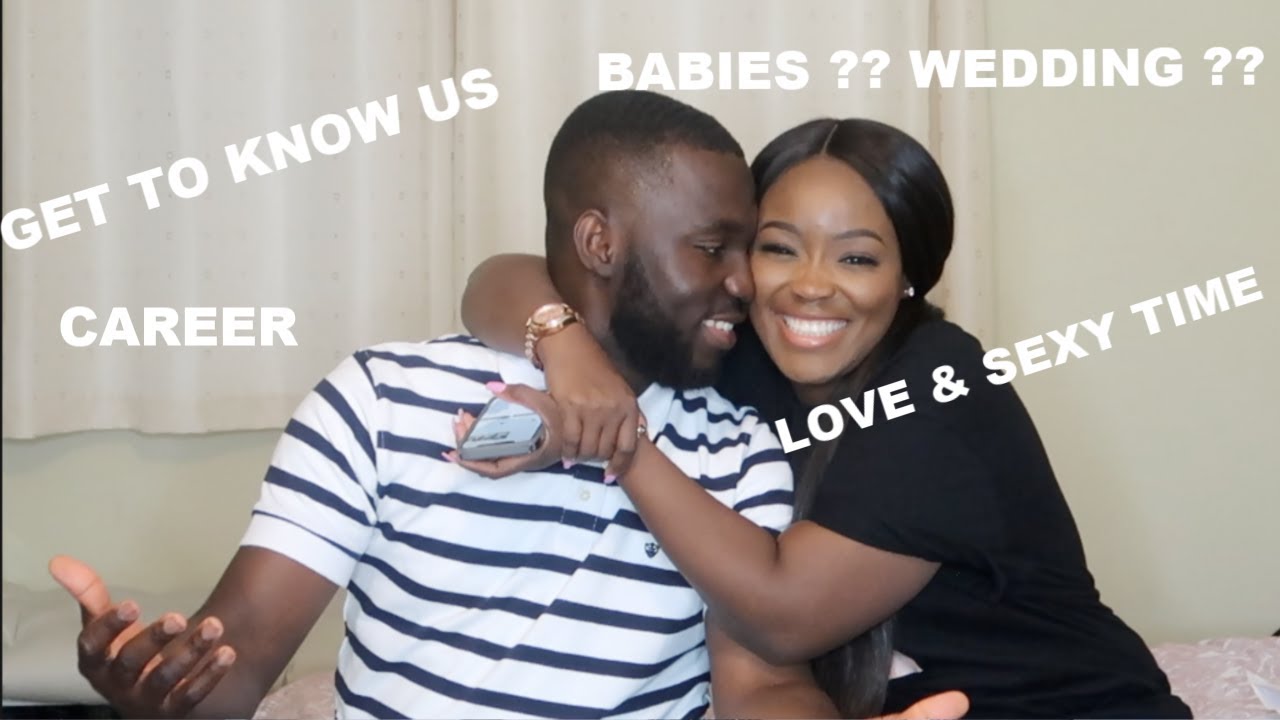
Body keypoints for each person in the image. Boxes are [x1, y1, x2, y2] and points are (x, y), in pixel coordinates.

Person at [48, 92, 967, 720]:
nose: (746, 282)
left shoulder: (740, 446)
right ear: (600, 242)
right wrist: (153, 687)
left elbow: (760, 685)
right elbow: (236, 661)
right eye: (713, 248)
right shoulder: (380, 399)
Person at [458, 116, 1193, 719]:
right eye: (779, 249)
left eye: (856, 260)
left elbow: (782, 617)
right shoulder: (746, 353)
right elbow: (499, 278)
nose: (809, 287)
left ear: (907, 279)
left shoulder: (942, 384)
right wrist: (563, 343)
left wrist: (619, 438)